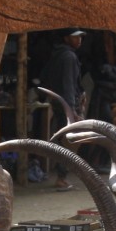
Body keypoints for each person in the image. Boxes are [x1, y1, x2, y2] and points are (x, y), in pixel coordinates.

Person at [37, 29, 87, 188]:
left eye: (80, 37)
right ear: (66, 38)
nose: (79, 40)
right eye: (75, 37)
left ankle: (62, 175)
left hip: (59, 103)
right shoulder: (68, 56)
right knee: (67, 140)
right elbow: (68, 85)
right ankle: (61, 177)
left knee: (62, 138)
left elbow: (45, 77)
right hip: (66, 105)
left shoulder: (58, 54)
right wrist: (72, 110)